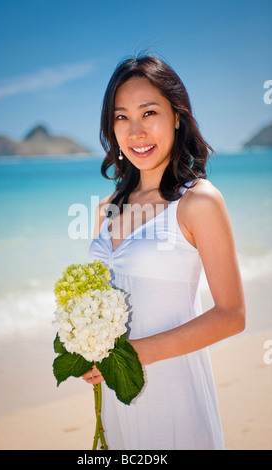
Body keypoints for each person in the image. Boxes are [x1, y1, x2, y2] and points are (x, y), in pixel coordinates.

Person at [83, 55, 245, 450]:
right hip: (119, 394)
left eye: (149, 112)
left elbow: (232, 315)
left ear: (177, 116)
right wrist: (86, 343)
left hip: (175, 393)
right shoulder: (105, 208)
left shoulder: (198, 201)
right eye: (121, 117)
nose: (136, 131)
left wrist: (139, 353)